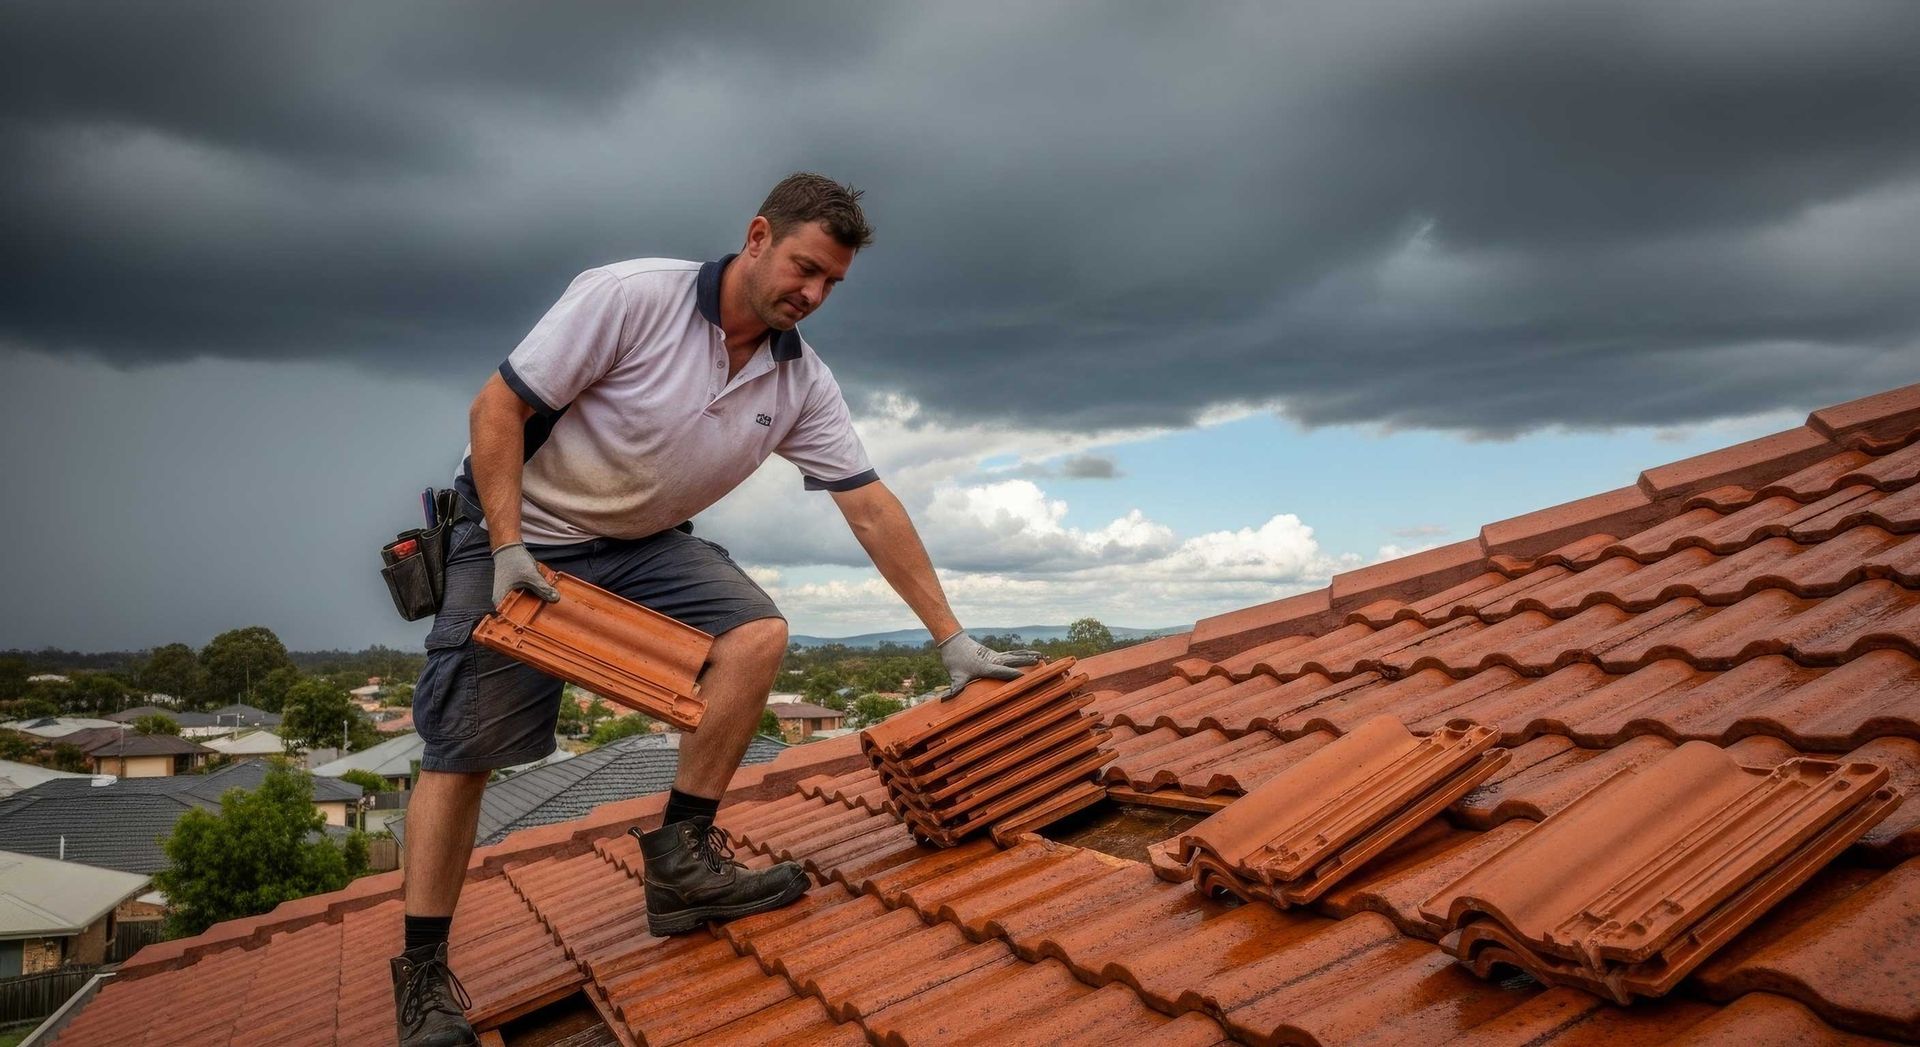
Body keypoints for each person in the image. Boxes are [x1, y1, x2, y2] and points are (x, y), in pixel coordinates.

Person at [390, 173, 1041, 1047]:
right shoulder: (632, 297)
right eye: (805, 268)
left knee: (758, 633)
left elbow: (869, 503)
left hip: (642, 543)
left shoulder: (800, 381)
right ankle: (424, 977)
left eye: (831, 286)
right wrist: (506, 545)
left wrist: (951, 639)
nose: (811, 295)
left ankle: (682, 864)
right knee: (463, 752)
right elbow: (495, 407)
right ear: (759, 235)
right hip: (519, 531)